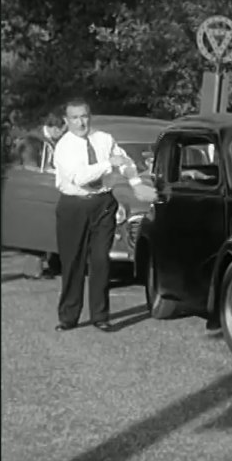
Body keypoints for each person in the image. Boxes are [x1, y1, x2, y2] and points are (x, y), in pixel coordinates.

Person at [52, 98, 156, 332]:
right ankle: (69, 316)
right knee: (73, 262)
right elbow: (80, 177)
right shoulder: (65, 146)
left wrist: (136, 182)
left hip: (103, 203)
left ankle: (101, 315)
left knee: (100, 260)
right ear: (66, 121)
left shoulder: (104, 139)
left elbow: (125, 161)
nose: (81, 122)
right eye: (75, 118)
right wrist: (108, 164)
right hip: (74, 204)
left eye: (85, 116)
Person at [14, 112, 67, 279]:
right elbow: (30, 166)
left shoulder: (50, 142)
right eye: (61, 130)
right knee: (36, 228)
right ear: (53, 128)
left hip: (47, 185)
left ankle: (53, 265)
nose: (63, 134)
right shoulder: (32, 142)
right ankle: (32, 270)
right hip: (33, 187)